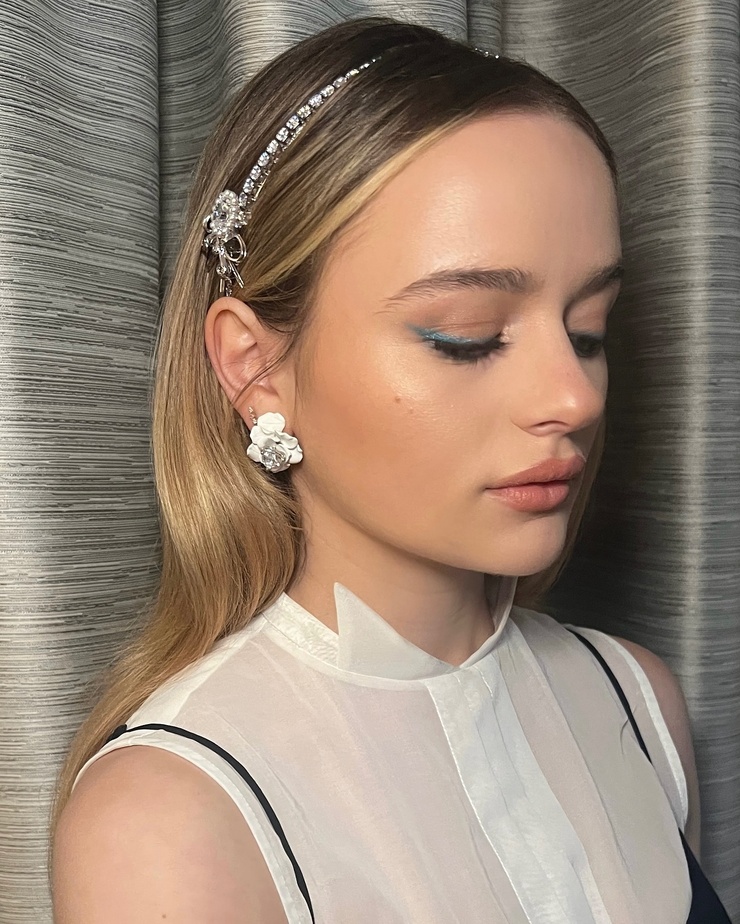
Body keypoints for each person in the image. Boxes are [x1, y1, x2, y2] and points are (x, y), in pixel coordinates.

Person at [49, 16, 730, 923]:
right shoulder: (170, 821)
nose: (573, 397)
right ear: (255, 367)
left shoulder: (636, 700)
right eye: (465, 337)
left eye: (587, 331)